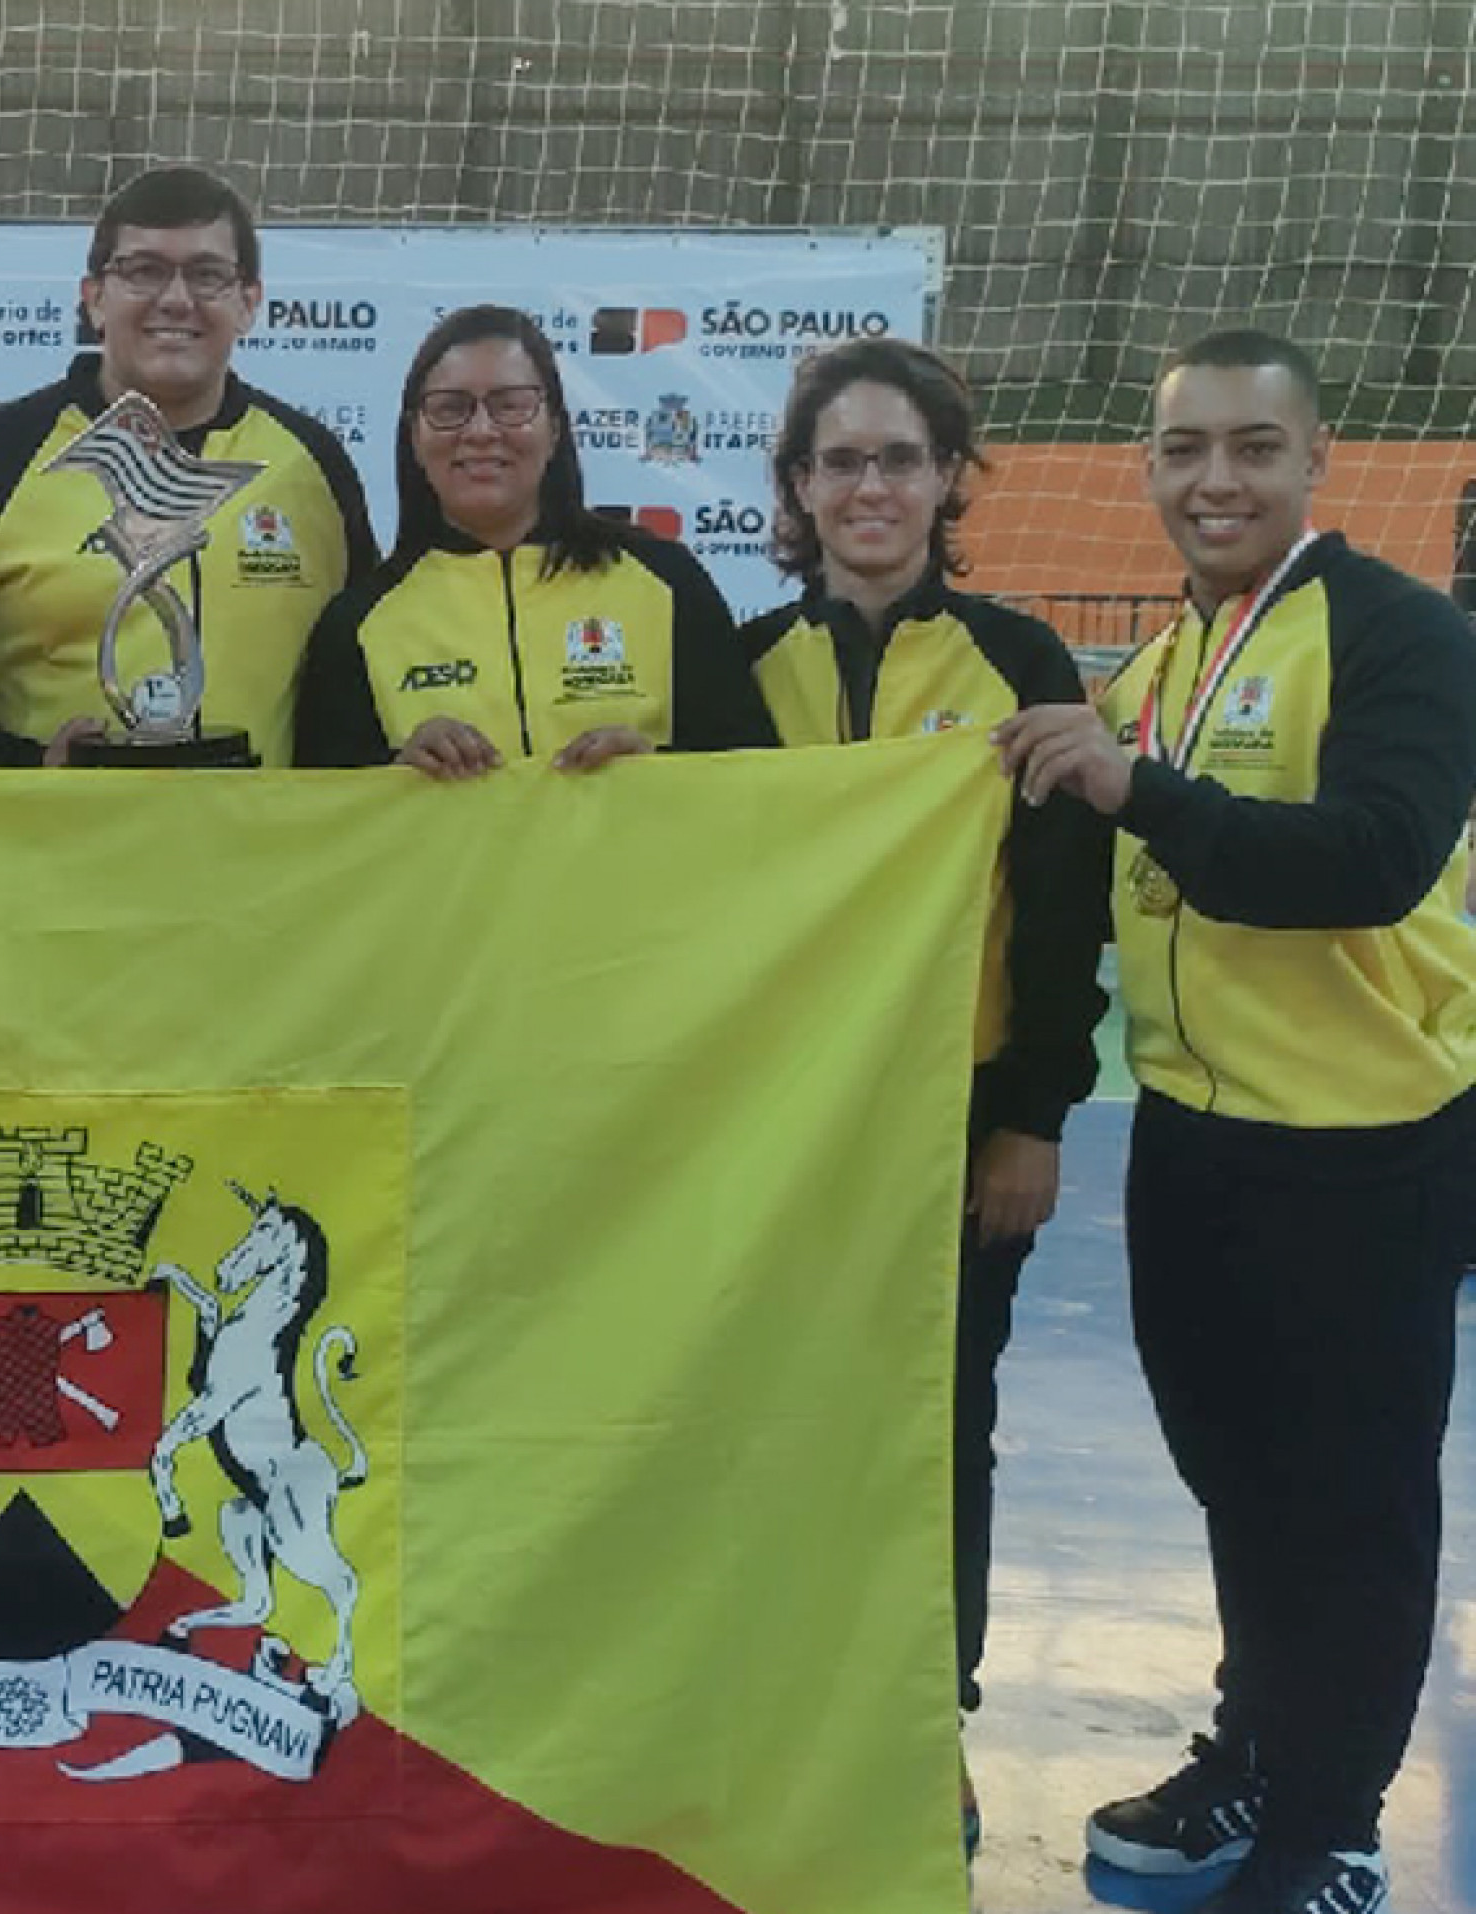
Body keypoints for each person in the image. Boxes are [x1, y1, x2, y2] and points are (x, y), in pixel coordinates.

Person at [994, 329, 1476, 1914]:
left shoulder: (1400, 634)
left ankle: (1333, 1823)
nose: (1216, 479)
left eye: (1252, 448)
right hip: (1195, 1148)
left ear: (1316, 459)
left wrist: (1142, 794)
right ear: (1149, 469)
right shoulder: (1165, 668)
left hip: (1365, 1151)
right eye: (1185, 449)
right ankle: (1258, 1747)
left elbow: (1372, 857)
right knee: (1241, 1478)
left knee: (1351, 1500)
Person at [741, 338, 1111, 1850]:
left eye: (900, 458)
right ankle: (763, 1706)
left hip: (954, 1122)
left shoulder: (1021, 662)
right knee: (768, 1416)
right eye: (841, 460)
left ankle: (923, 1720)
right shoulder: (739, 662)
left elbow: (1069, 913)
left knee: (937, 1423)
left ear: (950, 477)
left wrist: (1033, 1116)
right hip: (765, 1129)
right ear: (800, 486)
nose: (871, 487)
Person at [0, 164, 375, 767]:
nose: (175, 299)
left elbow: (359, 683)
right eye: (143, 271)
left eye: (208, 274)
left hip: (262, 853)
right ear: (94, 299)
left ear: (249, 303)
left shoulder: (311, 464)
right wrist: (29, 766)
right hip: (51, 851)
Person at [294, 303, 773, 771]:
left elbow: (755, 782)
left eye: (512, 406)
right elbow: (326, 825)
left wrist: (657, 770)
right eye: (450, 408)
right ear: (415, 437)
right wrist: (395, 774)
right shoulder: (356, 623)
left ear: (556, 428)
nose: (481, 431)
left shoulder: (667, 580)